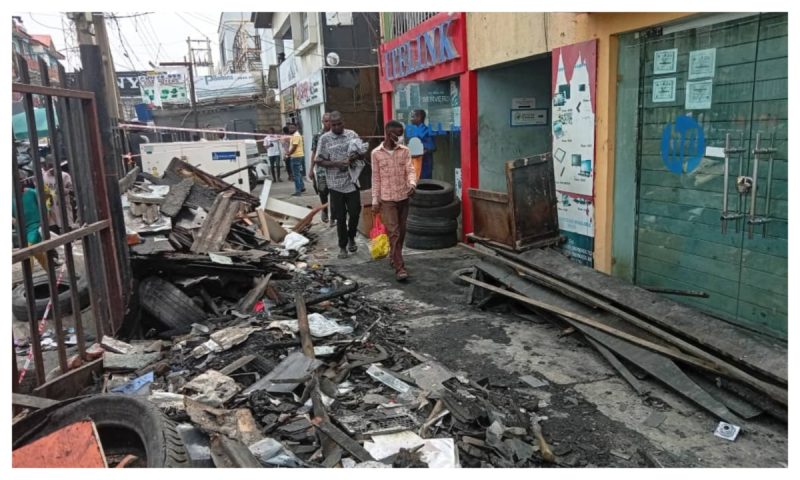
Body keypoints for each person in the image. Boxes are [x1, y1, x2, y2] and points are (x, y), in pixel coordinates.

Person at [316, 111, 367, 259]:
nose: (337, 127)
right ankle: (343, 246)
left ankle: (352, 237)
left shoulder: (352, 135)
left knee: (355, 213)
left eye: (339, 124)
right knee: (340, 216)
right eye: (334, 125)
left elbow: (362, 153)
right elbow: (318, 160)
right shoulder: (324, 139)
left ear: (343, 122)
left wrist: (353, 157)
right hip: (334, 184)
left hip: (352, 181)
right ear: (329, 125)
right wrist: (337, 164)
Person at [372, 120, 417, 281]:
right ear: (387, 133)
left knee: (401, 232)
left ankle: (393, 255)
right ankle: (400, 268)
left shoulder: (404, 151)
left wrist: (412, 184)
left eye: (400, 133)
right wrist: (375, 201)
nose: (399, 137)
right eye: (396, 133)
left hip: (403, 197)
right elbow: (375, 178)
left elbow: (410, 170)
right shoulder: (376, 153)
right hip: (387, 199)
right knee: (394, 232)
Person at [13, 172, 48, 270]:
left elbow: (45, 209)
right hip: (22, 232)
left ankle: (28, 281)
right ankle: (52, 275)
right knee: (40, 255)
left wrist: (43, 225)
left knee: (28, 253)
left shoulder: (32, 193)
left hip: (35, 228)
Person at [309, 113, 334, 224]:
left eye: (330, 121)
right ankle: (324, 210)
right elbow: (314, 153)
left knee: (334, 194)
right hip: (321, 170)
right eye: (326, 121)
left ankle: (333, 216)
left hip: (334, 169)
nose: (329, 123)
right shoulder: (317, 136)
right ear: (322, 122)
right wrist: (311, 169)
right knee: (323, 192)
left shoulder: (336, 134)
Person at [42, 154, 74, 233]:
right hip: (50, 208)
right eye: (49, 165)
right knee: (53, 230)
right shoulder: (44, 177)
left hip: (63, 206)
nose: (51, 167)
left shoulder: (65, 176)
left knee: (66, 227)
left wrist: (62, 190)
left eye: (53, 165)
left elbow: (71, 190)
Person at [405, 109, 436, 179]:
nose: (410, 119)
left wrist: (420, 152)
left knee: (424, 185)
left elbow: (432, 147)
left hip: (424, 164)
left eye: (413, 117)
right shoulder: (411, 130)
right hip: (413, 163)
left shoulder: (427, 131)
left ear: (419, 117)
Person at [286, 123, 306, 196]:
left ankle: (298, 191)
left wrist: (288, 154)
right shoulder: (294, 135)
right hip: (297, 156)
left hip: (296, 156)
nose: (290, 129)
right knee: (298, 173)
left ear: (296, 128)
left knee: (296, 175)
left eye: (292, 128)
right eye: (290, 128)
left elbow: (294, 147)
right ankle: (302, 187)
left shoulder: (296, 135)